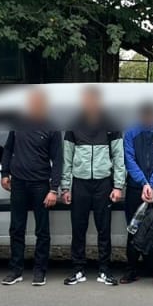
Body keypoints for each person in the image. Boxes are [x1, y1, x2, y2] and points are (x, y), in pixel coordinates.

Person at [60, 86, 125, 286]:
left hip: (103, 183)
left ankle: (104, 271)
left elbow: (118, 156)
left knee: (103, 229)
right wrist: (65, 187)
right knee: (78, 229)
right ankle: (78, 269)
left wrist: (118, 185)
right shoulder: (74, 125)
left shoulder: (111, 125)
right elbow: (67, 157)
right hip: (79, 183)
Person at [0, 88, 62, 286]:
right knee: (16, 229)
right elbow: (8, 149)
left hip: (40, 185)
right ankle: (15, 270)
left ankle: (39, 271)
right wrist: (4, 173)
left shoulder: (51, 128)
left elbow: (58, 160)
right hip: (18, 183)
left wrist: (53, 189)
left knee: (42, 231)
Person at [121, 101, 153, 284]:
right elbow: (129, 160)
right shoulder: (131, 134)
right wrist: (144, 183)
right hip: (136, 188)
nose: (149, 119)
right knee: (133, 228)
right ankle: (131, 269)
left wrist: (151, 184)